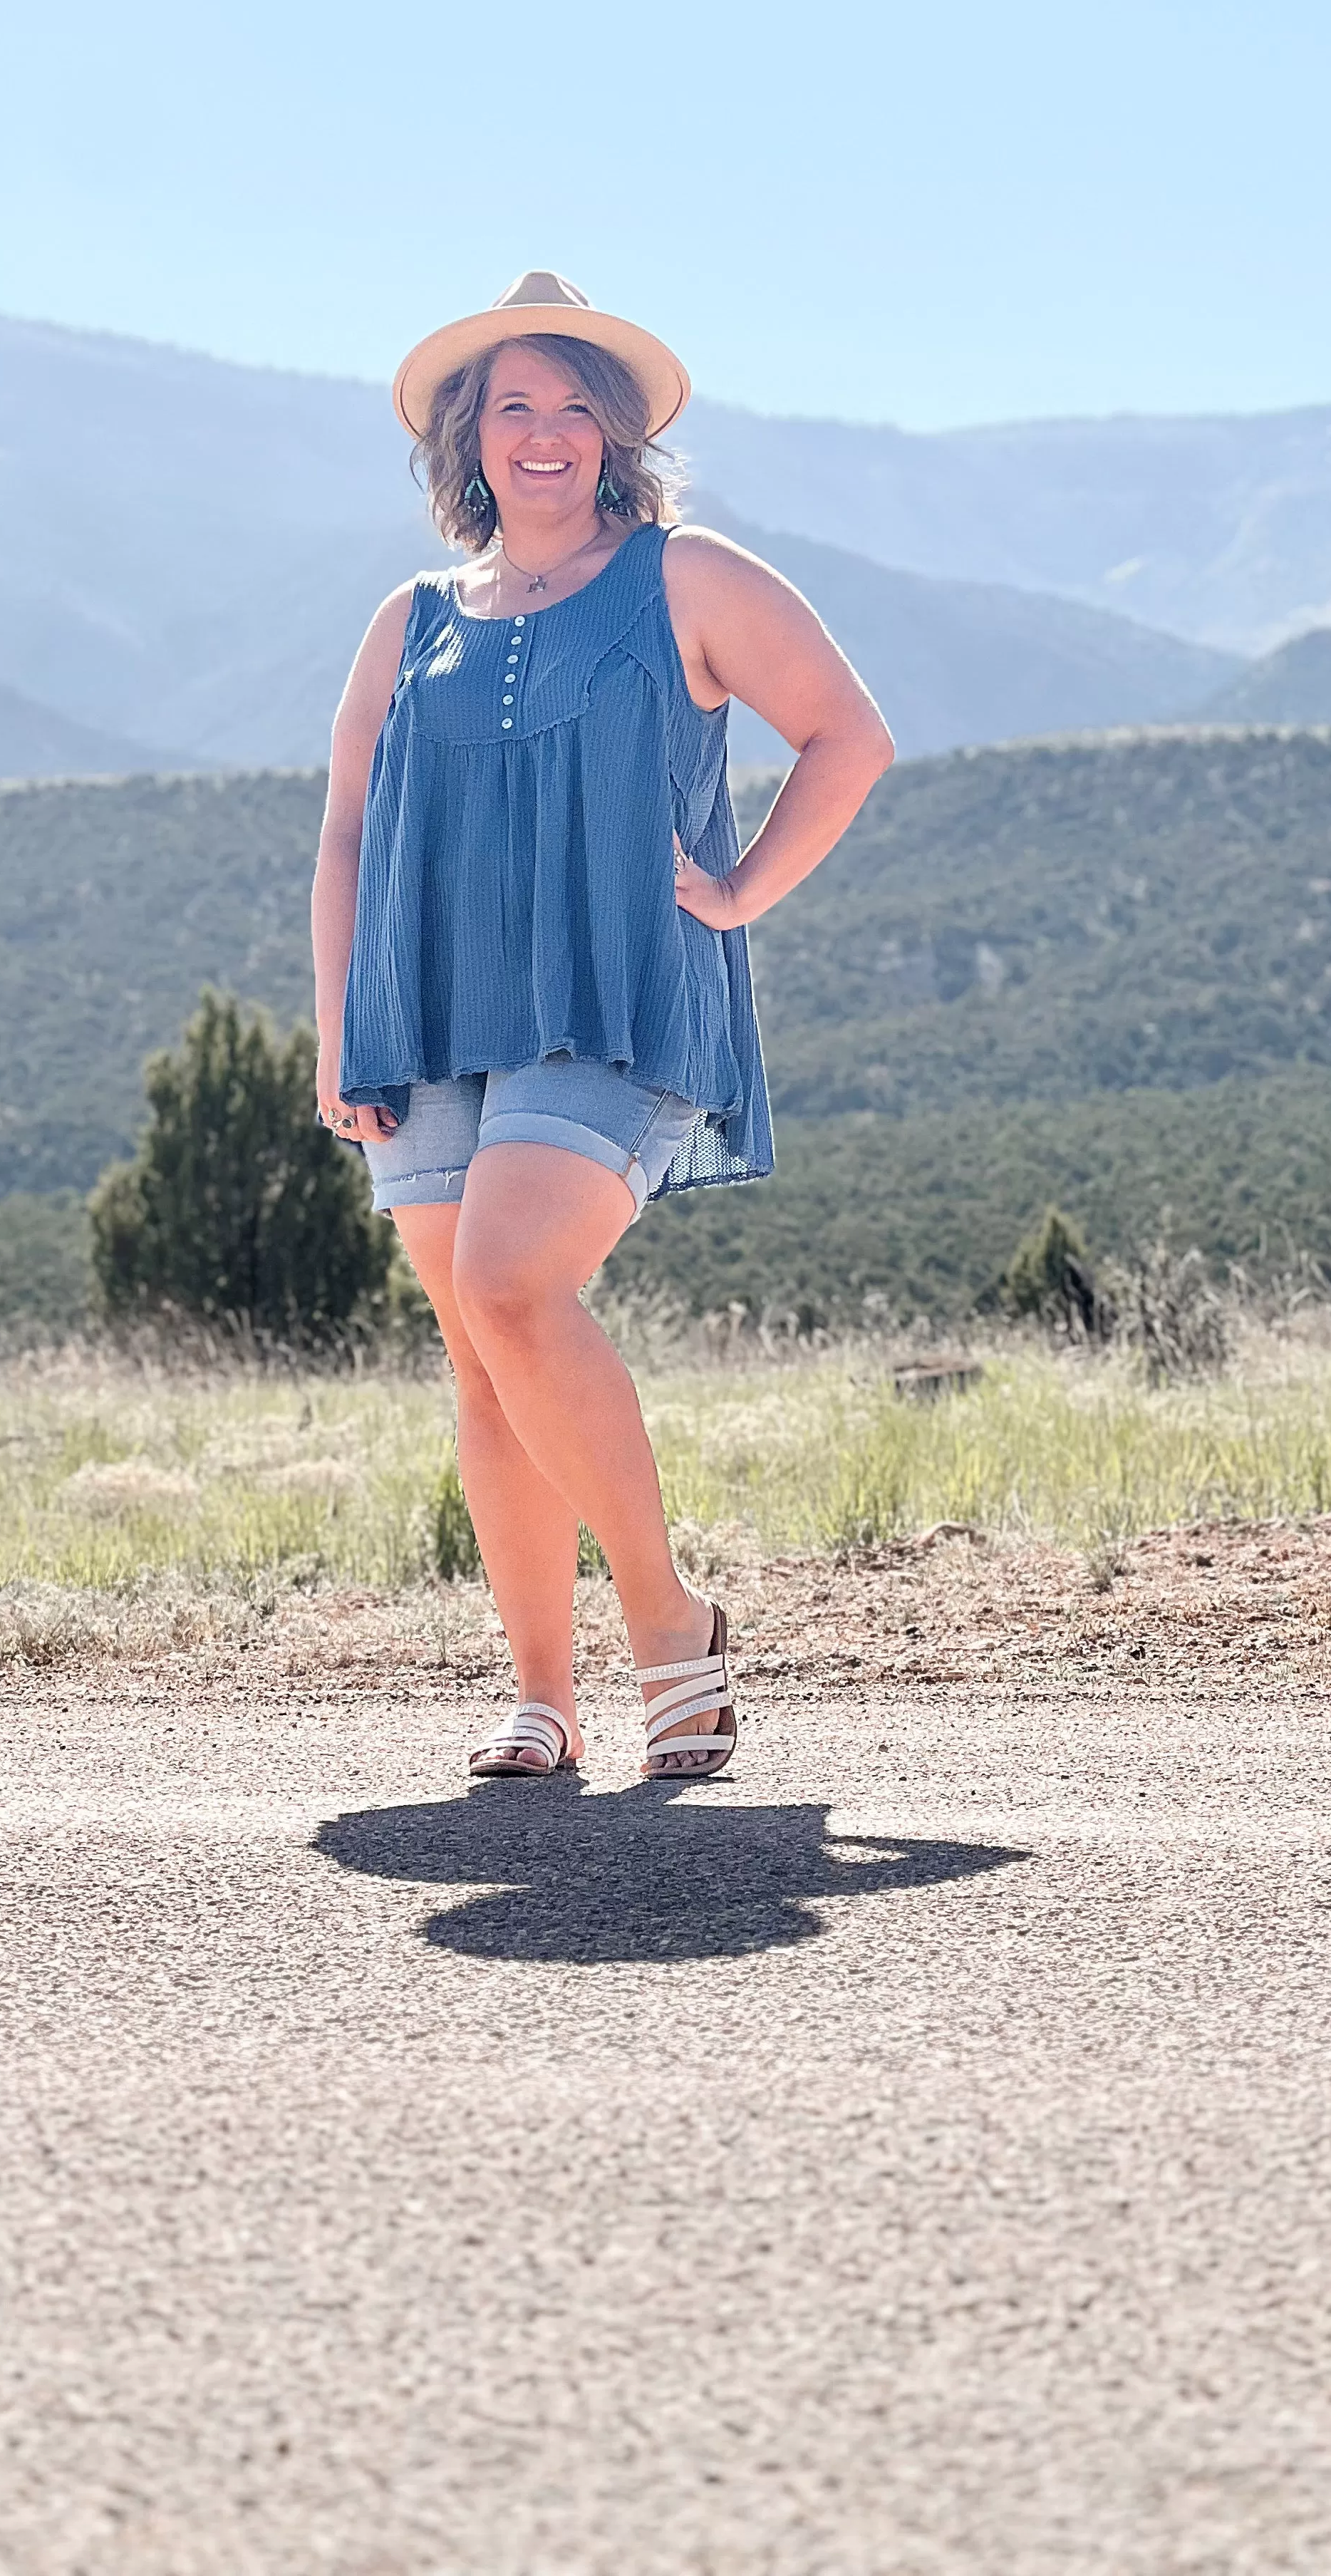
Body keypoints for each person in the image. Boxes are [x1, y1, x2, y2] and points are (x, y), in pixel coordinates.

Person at [310, 272, 892, 1781]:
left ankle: (668, 1620)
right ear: (472, 438)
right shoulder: (412, 619)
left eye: (577, 405)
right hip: (428, 1011)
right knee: (479, 1351)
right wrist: (336, 1029)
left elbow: (849, 735)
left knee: (510, 1286)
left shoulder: (687, 578)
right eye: (517, 404)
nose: (547, 432)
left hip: (616, 1001)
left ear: (617, 434)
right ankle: (543, 1698)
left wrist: (744, 886)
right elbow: (346, 838)